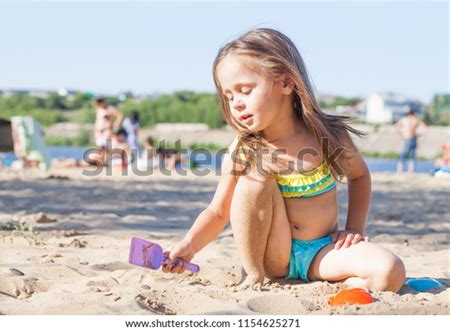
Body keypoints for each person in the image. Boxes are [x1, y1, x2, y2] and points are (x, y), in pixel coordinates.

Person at [161, 28, 405, 293]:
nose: (236, 104)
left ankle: (332, 281)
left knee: (390, 271)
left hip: (322, 251)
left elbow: (359, 176)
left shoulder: (328, 137)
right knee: (255, 175)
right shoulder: (244, 149)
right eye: (229, 96)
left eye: (245, 90)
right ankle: (253, 275)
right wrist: (188, 246)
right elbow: (218, 212)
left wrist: (353, 228)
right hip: (273, 257)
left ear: (286, 82)